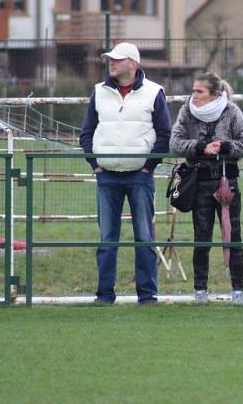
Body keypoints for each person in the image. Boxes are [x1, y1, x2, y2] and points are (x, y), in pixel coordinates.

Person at [79, 42, 172, 305]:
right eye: (110, 58)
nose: (111, 62)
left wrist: (148, 166)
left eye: (117, 59)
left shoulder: (155, 92)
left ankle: (148, 295)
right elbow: (86, 132)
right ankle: (104, 294)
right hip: (106, 176)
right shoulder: (98, 92)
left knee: (144, 236)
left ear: (133, 63)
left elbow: (164, 133)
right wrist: (94, 164)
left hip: (140, 176)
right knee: (107, 238)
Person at [170, 73, 243, 305]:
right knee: (201, 238)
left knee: (233, 235)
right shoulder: (186, 111)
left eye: (199, 91)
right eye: (193, 90)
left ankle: (239, 291)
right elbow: (174, 143)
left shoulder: (232, 111)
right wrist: (200, 147)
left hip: (228, 184)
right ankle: (200, 291)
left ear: (214, 94)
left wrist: (225, 146)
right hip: (199, 183)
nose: (193, 96)